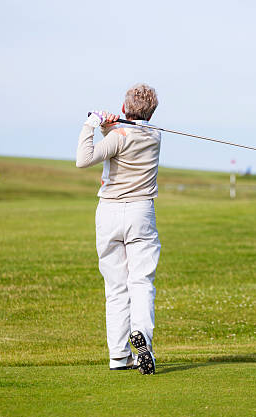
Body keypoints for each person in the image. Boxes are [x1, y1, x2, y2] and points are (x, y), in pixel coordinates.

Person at [76, 83, 161, 374]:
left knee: (115, 287)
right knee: (141, 282)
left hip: (109, 213)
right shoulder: (155, 135)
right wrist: (108, 129)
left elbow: (83, 159)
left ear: (124, 108)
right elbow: (125, 141)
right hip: (140, 213)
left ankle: (118, 355)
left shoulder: (119, 135)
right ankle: (143, 344)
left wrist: (92, 124)